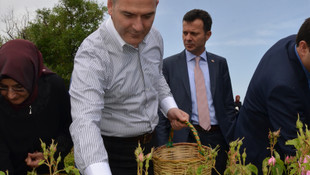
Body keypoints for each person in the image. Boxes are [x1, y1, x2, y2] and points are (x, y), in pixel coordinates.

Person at [69, 0, 189, 174]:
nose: (139, 27)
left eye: (148, 16)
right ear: (110, 6)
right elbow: (85, 121)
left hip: (151, 147)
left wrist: (170, 108)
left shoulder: (155, 38)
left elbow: (156, 76)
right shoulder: (92, 54)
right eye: (128, 15)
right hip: (111, 154)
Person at [156, 9, 236, 174]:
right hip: (184, 141)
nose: (187, 38)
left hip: (217, 139)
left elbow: (228, 106)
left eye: (194, 33)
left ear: (208, 35)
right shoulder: (168, 66)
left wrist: (233, 142)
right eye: (185, 32)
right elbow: (161, 109)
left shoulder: (220, 64)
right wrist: (163, 145)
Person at [234, 17, 310, 174]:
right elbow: (297, 149)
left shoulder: (294, 44)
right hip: (263, 158)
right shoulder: (282, 86)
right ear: (303, 47)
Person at [0, 39, 73, 174]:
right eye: (3, 87)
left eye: (19, 87)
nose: (11, 95)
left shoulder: (53, 87)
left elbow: (69, 128)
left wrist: (49, 155)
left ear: (31, 77)